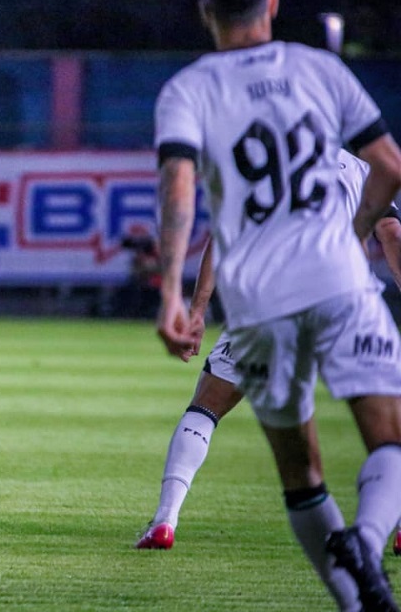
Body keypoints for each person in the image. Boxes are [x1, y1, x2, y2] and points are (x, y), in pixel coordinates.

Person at [154, 0, 401, 611]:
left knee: (302, 476)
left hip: (262, 301)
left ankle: (355, 601)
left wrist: (174, 295)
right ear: (273, 4)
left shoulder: (189, 89)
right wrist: (348, 238)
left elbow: (181, 193)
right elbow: (389, 166)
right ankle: (369, 541)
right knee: (391, 439)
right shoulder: (319, 69)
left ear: (207, 12)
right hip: (342, 285)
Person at [138, 150, 401, 553]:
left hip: (272, 302)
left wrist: (197, 309)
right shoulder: (359, 169)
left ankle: (165, 520)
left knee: (207, 408)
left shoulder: (260, 163)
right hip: (348, 305)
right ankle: (381, 531)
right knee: (386, 432)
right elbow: (392, 234)